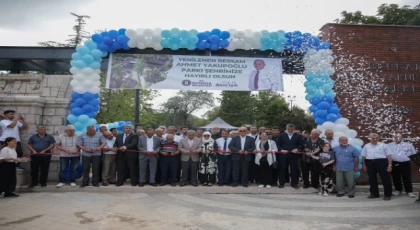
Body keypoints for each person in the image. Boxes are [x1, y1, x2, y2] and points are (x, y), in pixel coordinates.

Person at [362, 133, 393, 200]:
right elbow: (364, 156)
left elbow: (389, 156)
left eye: (376, 138)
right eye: (373, 138)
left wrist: (390, 165)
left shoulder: (384, 145)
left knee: (385, 178)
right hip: (370, 162)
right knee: (371, 179)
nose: (375, 139)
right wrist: (364, 165)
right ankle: (374, 194)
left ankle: (387, 195)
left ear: (378, 138)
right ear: (370, 138)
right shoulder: (366, 146)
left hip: (381, 162)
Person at [387, 134, 416, 198]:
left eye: (398, 136)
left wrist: (406, 156)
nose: (397, 138)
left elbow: (413, 153)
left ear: (402, 137)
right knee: (395, 177)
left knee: (407, 177)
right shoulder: (389, 145)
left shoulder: (408, 145)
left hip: (405, 163)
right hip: (394, 162)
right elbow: (387, 154)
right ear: (393, 138)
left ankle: (409, 191)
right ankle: (398, 190)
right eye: (395, 137)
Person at [276, 124, 303, 189]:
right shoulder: (281, 135)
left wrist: (297, 149)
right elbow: (278, 144)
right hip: (283, 155)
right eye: (289, 129)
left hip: (293, 155)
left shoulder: (298, 136)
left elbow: (301, 144)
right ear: (286, 129)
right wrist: (281, 150)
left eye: (291, 129)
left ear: (294, 129)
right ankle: (281, 183)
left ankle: (294, 183)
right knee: (282, 169)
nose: (290, 130)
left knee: (294, 169)